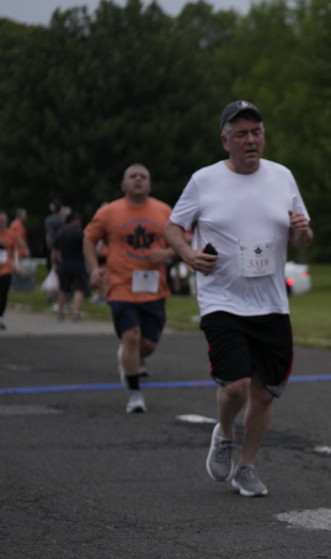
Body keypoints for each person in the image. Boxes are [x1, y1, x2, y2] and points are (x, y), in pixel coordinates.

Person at [165, 100, 314, 496]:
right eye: (242, 134)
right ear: (225, 141)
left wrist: (301, 232)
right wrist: (188, 254)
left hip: (271, 303)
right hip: (222, 299)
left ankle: (246, 467)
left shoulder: (282, 176)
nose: (251, 140)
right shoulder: (204, 180)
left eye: (257, 133)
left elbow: (302, 238)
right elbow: (173, 227)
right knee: (236, 386)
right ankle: (225, 432)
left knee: (263, 394)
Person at [83, 164, 175, 414]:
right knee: (131, 336)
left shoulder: (164, 211)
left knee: (149, 344)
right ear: (123, 185)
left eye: (143, 176)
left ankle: (130, 357)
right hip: (120, 284)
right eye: (132, 176)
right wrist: (94, 269)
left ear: (150, 184)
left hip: (154, 287)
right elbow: (89, 239)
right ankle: (135, 393)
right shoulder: (109, 212)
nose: (138, 180)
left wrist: (167, 253)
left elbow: (181, 242)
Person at [51, 211, 88, 321]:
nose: (80, 222)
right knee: (79, 289)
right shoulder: (80, 234)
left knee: (63, 289)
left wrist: (55, 264)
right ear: (73, 221)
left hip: (64, 264)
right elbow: (86, 248)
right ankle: (75, 312)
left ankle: (60, 311)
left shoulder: (60, 233)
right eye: (78, 220)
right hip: (78, 264)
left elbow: (55, 251)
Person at [0, 211, 19, 330]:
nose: (2, 222)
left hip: (6, 268)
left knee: (3, 293)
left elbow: (15, 250)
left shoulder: (11, 234)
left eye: (4, 220)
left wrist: (16, 263)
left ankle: (1, 317)